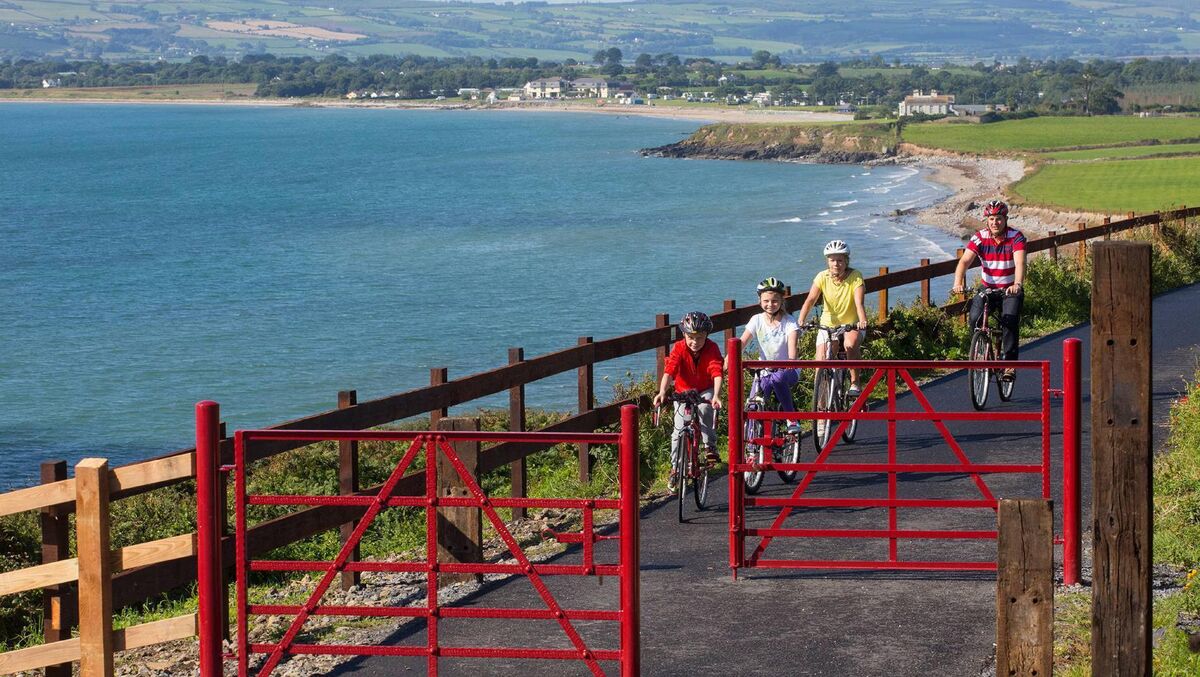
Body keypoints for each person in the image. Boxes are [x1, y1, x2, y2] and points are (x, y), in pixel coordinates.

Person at [951, 199, 1026, 380]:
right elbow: (964, 261)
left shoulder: (1016, 237)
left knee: (1009, 322)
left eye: (999, 218)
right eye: (991, 219)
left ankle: (1009, 366)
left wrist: (1017, 284)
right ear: (987, 220)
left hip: (1009, 290)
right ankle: (980, 351)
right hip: (988, 289)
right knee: (975, 319)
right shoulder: (979, 237)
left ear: (1005, 219)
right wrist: (957, 282)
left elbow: (1020, 262)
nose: (995, 223)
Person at [653, 311, 724, 488]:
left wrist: (716, 395)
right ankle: (676, 469)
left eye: (700, 337)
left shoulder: (712, 348)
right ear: (684, 334)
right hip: (683, 391)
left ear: (706, 336)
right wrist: (662, 392)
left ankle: (710, 447)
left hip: (705, 389)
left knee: (706, 409)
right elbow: (670, 371)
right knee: (678, 431)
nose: (695, 342)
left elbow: (716, 372)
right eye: (690, 337)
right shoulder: (678, 348)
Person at [796, 240, 870, 396]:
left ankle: (855, 383)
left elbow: (859, 302)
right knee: (821, 363)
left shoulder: (855, 276)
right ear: (827, 261)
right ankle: (822, 410)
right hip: (827, 325)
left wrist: (862, 321)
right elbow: (810, 300)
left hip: (852, 324)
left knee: (850, 344)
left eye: (840, 260)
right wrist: (801, 319)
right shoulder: (822, 277)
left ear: (846, 261)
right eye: (832, 260)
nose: (836, 263)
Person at [733, 277, 801, 433]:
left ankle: (792, 420)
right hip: (764, 370)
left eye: (775, 301)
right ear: (759, 300)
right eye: (766, 301)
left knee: (777, 380)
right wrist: (728, 361)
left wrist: (790, 363)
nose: (770, 305)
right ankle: (751, 444)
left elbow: (793, 348)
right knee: (753, 402)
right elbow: (741, 342)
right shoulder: (756, 320)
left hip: (788, 370)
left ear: (782, 301)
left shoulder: (789, 322)